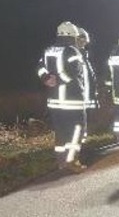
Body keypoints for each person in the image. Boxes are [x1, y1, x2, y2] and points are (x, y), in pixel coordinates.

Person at [36, 21, 91, 170]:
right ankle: (72, 161)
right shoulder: (73, 51)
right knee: (77, 130)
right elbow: (75, 72)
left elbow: (40, 67)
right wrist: (59, 79)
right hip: (72, 100)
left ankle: (61, 161)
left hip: (54, 102)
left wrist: (47, 78)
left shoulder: (48, 50)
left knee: (60, 132)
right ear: (72, 35)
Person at [76, 27, 98, 142]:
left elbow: (89, 77)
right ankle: (78, 144)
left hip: (84, 97)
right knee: (77, 121)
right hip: (76, 97)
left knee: (83, 119)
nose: (83, 44)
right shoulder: (73, 55)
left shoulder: (84, 56)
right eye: (81, 40)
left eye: (84, 41)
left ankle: (81, 143)